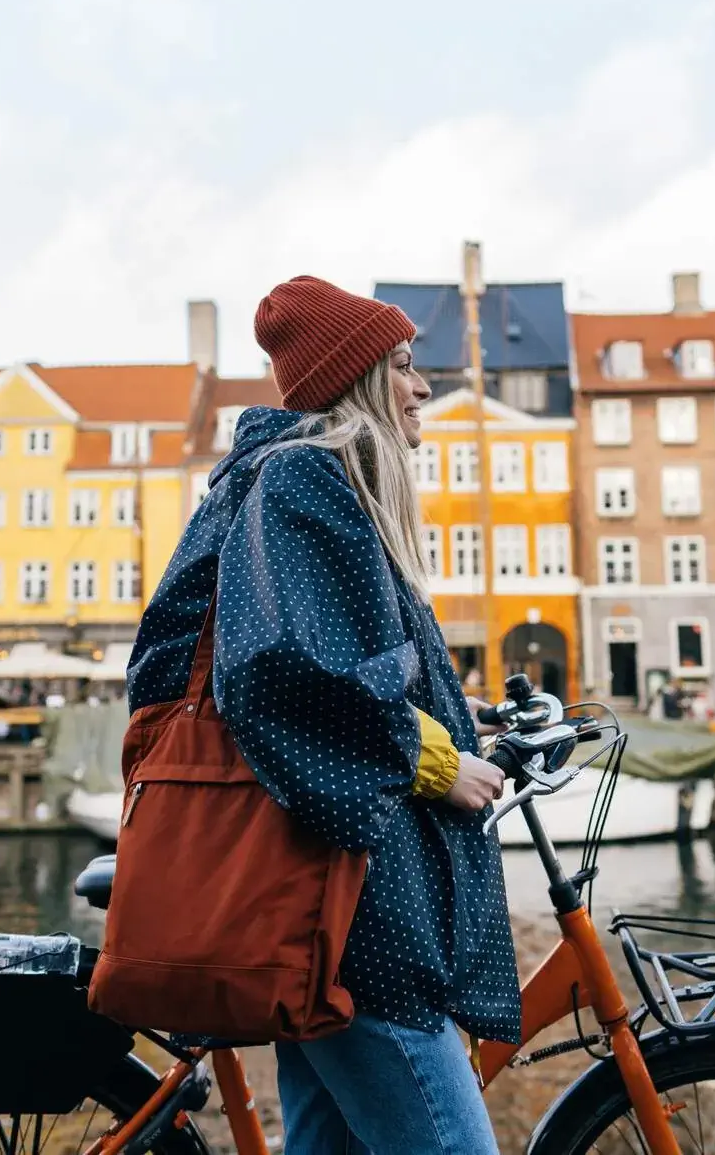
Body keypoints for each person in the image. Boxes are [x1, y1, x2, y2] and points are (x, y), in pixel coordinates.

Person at [125, 277, 515, 1155]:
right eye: (405, 367)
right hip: (353, 918)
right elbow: (284, 669)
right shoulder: (308, 477)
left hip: (327, 917)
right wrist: (438, 762)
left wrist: (457, 715)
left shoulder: (302, 480)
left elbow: (333, 655)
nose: (421, 388)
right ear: (360, 380)